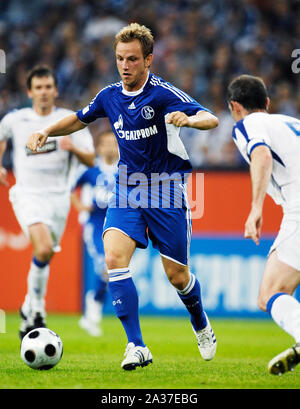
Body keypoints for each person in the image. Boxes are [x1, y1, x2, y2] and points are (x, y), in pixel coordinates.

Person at [26, 23, 219, 370]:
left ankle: (201, 323)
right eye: (119, 58)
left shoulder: (162, 94)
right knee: (114, 260)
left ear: (148, 60)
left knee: (177, 277)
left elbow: (211, 118)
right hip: (127, 187)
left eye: (132, 59)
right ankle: (136, 346)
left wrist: (189, 122)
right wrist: (45, 131)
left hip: (165, 189)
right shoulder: (109, 96)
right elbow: (78, 119)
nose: (125, 65)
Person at [0, 65, 95, 339]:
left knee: (45, 254)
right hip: (27, 194)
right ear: (30, 92)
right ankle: (38, 309)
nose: (43, 92)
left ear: (55, 90)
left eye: (47, 87)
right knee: (42, 248)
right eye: (38, 88)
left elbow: (90, 159)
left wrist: (73, 147)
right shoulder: (16, 120)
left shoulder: (68, 120)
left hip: (59, 200)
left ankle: (28, 307)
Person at [227, 74, 300, 375]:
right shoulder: (291, 122)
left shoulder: (248, 125)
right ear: (267, 103)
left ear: (234, 107)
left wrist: (255, 207)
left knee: (270, 293)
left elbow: (261, 154)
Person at [71, 130, 119, 336]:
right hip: (95, 223)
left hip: (117, 224)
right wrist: (80, 207)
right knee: (105, 266)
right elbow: (71, 188)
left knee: (113, 270)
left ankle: (92, 309)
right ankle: (92, 312)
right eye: (106, 143)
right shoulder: (91, 168)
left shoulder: (126, 168)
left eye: (113, 143)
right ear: (98, 148)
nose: (110, 147)